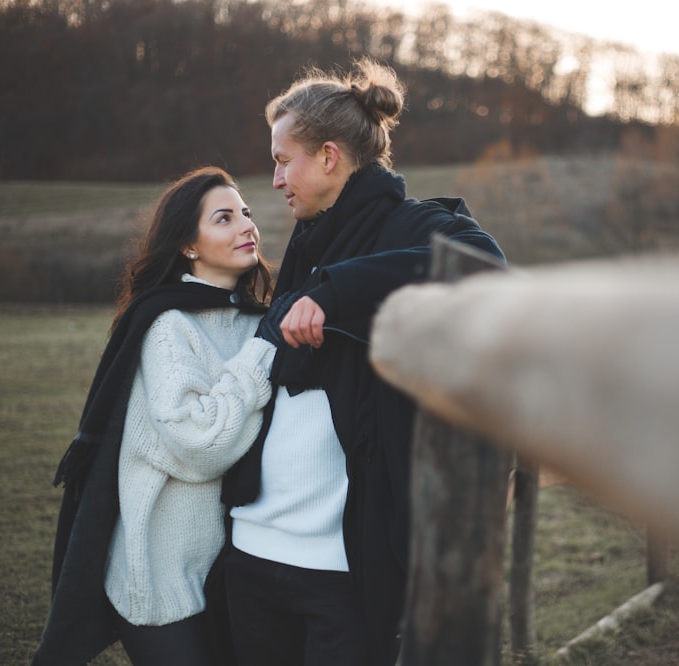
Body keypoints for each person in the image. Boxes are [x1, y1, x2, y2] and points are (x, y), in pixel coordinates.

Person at [221, 57, 505, 665]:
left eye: (281, 158)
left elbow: (483, 265)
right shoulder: (308, 238)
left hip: (340, 567)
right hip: (251, 550)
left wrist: (337, 290)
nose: (274, 179)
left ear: (328, 157)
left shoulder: (408, 223)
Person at [32, 166, 282, 666]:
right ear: (189, 244)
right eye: (224, 218)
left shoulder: (256, 319)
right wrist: (260, 359)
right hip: (161, 579)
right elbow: (200, 442)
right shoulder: (169, 325)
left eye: (247, 214)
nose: (246, 226)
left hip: (232, 571)